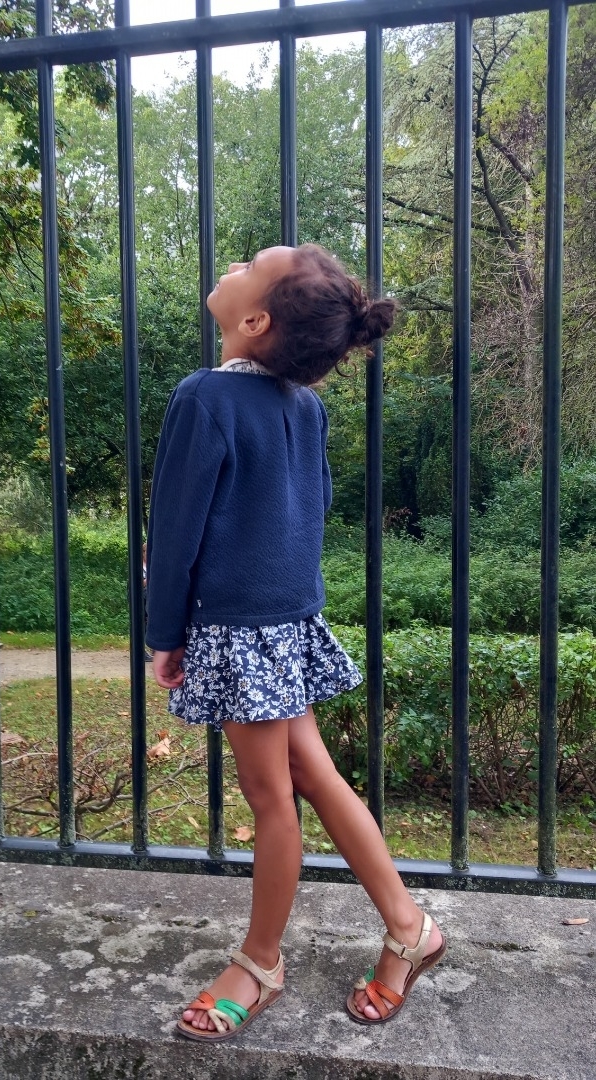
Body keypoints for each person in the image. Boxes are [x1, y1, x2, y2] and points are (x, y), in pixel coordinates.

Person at [144, 244, 446, 1041]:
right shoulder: (304, 409)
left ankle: (260, 963)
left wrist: (166, 634)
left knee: (271, 797)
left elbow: (173, 534)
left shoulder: (204, 397)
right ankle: (409, 927)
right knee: (311, 772)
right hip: (285, 625)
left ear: (254, 320)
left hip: (239, 631)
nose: (231, 264)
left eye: (249, 264)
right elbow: (310, 512)